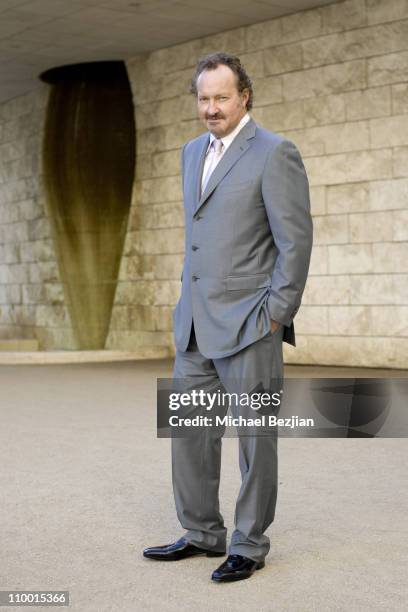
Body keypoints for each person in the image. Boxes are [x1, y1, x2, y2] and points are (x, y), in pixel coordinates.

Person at [143, 52, 313, 582]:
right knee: (190, 433)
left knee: (255, 439)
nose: (211, 108)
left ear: (245, 96)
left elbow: (295, 239)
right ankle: (200, 532)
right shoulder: (191, 153)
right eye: (204, 98)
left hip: (250, 324)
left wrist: (277, 313)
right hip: (194, 324)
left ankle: (249, 543)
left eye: (221, 97)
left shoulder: (275, 152)